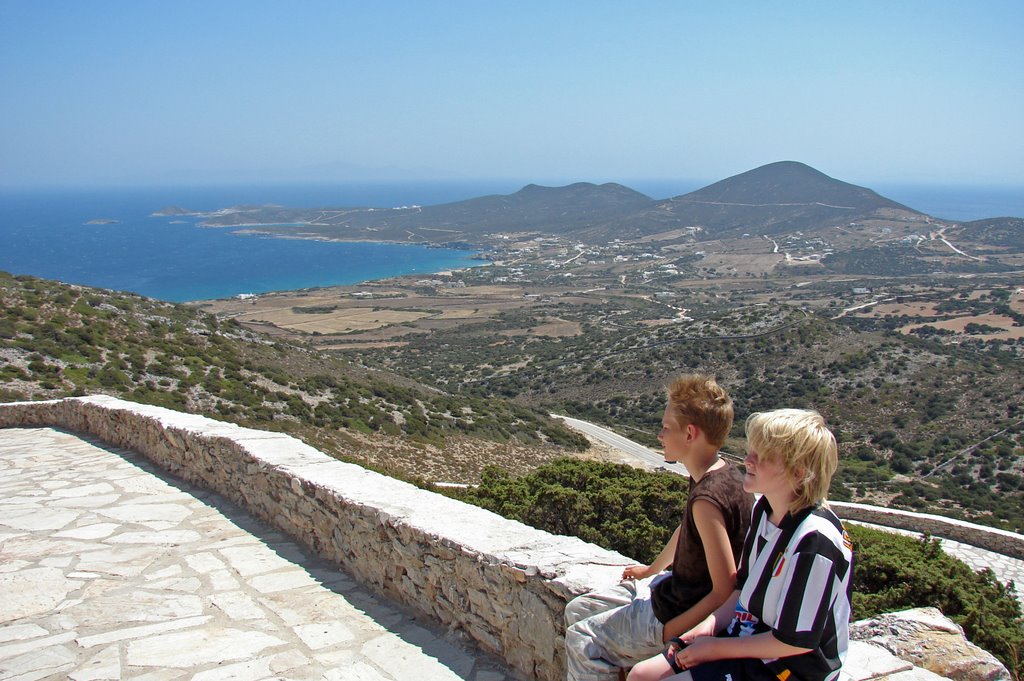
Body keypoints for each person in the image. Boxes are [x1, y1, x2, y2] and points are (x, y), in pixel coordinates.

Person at [626, 409, 854, 681]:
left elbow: (795, 641)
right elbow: (741, 588)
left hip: (791, 667)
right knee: (642, 675)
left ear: (798, 471)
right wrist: (708, 626)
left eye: (763, 456)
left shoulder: (815, 541)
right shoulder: (764, 511)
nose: (748, 460)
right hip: (751, 632)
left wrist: (716, 648)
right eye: (751, 451)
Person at [565, 375, 753, 681]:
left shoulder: (708, 499)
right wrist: (651, 570)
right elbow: (688, 531)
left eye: (666, 428)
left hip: (675, 611)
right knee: (577, 610)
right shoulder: (720, 474)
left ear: (690, 433)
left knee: (583, 640)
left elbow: (724, 588)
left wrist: (673, 632)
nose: (659, 435)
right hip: (668, 589)